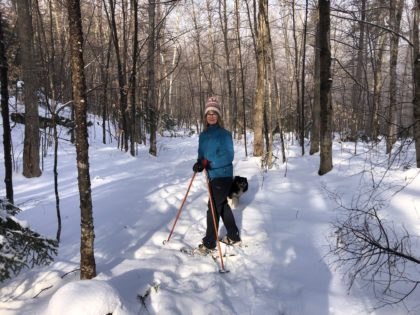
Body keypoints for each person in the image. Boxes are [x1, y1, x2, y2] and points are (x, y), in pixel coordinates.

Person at [192, 96, 241, 255]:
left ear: (218, 116)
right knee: (221, 207)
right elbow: (201, 154)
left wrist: (208, 162)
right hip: (212, 176)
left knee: (212, 208)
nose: (211, 116)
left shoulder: (224, 134)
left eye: (214, 113)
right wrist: (199, 163)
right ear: (205, 117)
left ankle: (209, 243)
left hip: (223, 175)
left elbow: (228, 156)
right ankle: (233, 236)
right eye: (208, 113)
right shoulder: (203, 135)